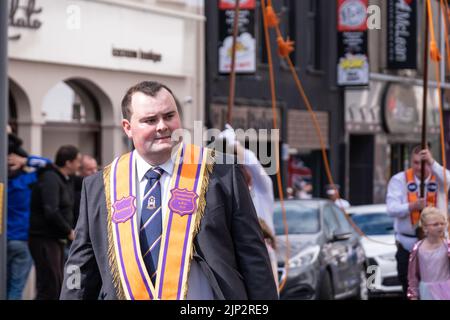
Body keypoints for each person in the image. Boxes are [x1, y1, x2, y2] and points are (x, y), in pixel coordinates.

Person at [61, 81, 278, 300]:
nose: (162, 126)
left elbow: (253, 256)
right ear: (127, 127)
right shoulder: (100, 186)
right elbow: (80, 266)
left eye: (169, 116)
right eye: (150, 120)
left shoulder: (220, 173)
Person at [219, 123, 279, 288]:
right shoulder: (227, 195)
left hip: (263, 256)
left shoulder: (261, 191)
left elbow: (252, 162)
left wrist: (233, 144)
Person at [386, 146, 450, 297]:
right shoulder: (399, 180)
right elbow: (391, 208)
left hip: (437, 246)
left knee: (438, 287)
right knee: (409, 286)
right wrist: (411, 206)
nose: (420, 167)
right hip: (408, 244)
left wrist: (432, 163)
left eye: (424, 163)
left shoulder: (439, 177)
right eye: (415, 163)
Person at [28, 145, 81, 299]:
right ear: (68, 162)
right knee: (49, 286)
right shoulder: (50, 178)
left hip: (55, 240)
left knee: (56, 285)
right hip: (44, 239)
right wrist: (68, 231)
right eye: (77, 161)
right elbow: (51, 210)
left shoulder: (66, 179)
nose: (79, 165)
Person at [6, 130, 51, 299]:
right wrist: (25, 160)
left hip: (4, 240)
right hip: (22, 240)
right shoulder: (26, 181)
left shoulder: (5, 183)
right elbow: (49, 165)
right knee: (16, 287)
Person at [407, 207, 450, 300]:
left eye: (442, 223)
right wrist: (413, 295)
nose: (440, 226)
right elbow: (412, 275)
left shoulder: (448, 246)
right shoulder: (417, 248)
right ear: (425, 228)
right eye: (435, 224)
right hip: (426, 292)